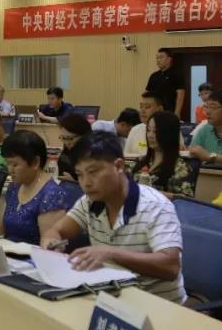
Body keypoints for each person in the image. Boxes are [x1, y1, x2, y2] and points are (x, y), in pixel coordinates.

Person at [40, 132, 186, 303]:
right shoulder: (89, 201)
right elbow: (56, 231)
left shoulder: (155, 205)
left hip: (157, 305)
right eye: (79, 174)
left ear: (119, 166)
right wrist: (51, 242)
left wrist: (111, 253)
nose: (86, 182)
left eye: (93, 172)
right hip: (111, 299)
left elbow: (170, 266)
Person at [0, 130, 76, 244]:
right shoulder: (14, 187)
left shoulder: (51, 194)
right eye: (8, 163)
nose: (10, 170)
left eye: (15, 164)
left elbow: (50, 246)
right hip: (8, 250)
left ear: (35, 162)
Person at [137, 111, 193, 199]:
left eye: (155, 131)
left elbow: (186, 199)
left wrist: (154, 194)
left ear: (169, 134)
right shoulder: (142, 161)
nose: (150, 135)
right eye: (148, 130)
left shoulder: (180, 167)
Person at [145, 47, 185, 119]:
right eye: (157, 58)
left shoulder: (177, 74)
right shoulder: (154, 75)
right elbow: (147, 94)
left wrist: (177, 112)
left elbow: (180, 94)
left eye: (161, 57)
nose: (158, 60)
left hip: (169, 111)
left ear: (169, 59)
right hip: (154, 111)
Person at [56, 112, 92, 182]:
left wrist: (75, 182)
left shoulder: (93, 155)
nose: (66, 143)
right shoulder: (69, 148)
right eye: (63, 138)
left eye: (70, 138)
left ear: (84, 136)